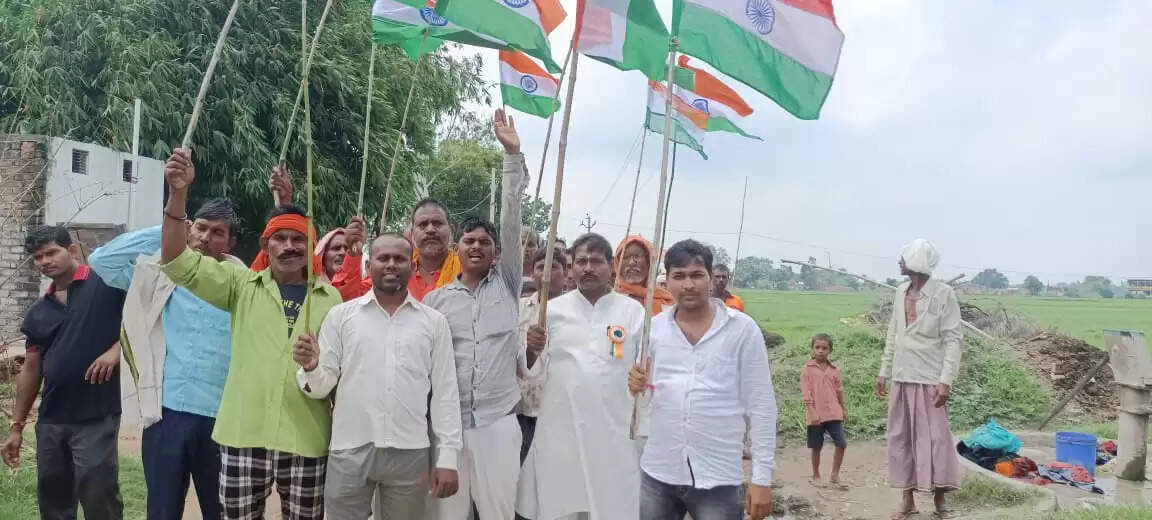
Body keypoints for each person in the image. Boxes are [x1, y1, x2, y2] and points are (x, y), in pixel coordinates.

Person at [159, 148, 344, 519]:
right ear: (265, 245)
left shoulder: (333, 300)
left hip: (307, 438)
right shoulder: (239, 285)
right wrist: (178, 193)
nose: (289, 246)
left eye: (298, 239)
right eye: (280, 239)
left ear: (312, 248)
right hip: (243, 434)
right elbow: (176, 261)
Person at [88, 199, 244, 520]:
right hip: (166, 414)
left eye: (217, 233)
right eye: (200, 228)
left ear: (230, 243)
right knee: (162, 511)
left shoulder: (244, 285)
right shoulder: (156, 275)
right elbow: (102, 261)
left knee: (225, 512)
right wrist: (169, 229)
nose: (205, 237)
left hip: (224, 421)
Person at [292, 234, 462, 519]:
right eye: (384, 258)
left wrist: (448, 457)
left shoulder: (433, 323)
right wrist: (311, 367)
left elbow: (445, 393)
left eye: (400, 259)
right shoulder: (341, 317)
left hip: (410, 451)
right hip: (350, 448)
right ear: (369, 265)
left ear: (413, 266)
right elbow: (322, 386)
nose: (391, 264)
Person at [423, 108, 527, 520]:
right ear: (458, 249)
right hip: (449, 429)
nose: (477, 247)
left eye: (485, 242)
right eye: (469, 241)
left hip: (498, 423)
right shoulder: (436, 302)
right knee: (448, 515)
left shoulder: (507, 284)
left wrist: (511, 159)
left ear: (497, 252)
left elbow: (512, 216)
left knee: (498, 513)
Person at [628, 239, 777, 520]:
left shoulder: (742, 330)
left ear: (711, 278)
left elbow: (762, 406)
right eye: (679, 276)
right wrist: (637, 385)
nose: (688, 285)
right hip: (659, 471)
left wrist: (762, 478)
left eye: (696, 275)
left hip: (718, 477)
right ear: (667, 281)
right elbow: (644, 395)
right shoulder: (652, 330)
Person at [517, 233, 646, 520]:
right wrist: (532, 348)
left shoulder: (632, 312)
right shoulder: (552, 311)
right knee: (561, 505)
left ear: (612, 265)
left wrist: (642, 380)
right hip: (562, 429)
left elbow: (644, 371)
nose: (588, 268)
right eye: (581, 261)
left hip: (612, 430)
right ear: (571, 267)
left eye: (596, 261)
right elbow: (531, 371)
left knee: (611, 506)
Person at [3, 226, 126, 520]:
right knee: (54, 499)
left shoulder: (106, 284)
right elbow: (31, 369)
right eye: (37, 257)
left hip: (97, 413)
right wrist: (17, 426)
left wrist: (117, 350)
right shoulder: (38, 312)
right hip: (52, 419)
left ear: (71, 251)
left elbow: (142, 320)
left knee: (99, 494)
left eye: (51, 252)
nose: (44, 261)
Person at [876, 239, 963, 519]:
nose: (899, 263)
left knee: (937, 439)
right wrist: (884, 370)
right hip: (902, 376)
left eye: (903, 259)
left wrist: (945, 380)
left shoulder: (943, 294)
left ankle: (940, 501)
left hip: (929, 378)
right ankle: (907, 500)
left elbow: (953, 339)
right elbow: (893, 333)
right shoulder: (901, 291)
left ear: (914, 262)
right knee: (902, 438)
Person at [268, 166, 368, 298]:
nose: (343, 253)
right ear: (322, 255)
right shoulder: (303, 284)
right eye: (336, 248)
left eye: (347, 248)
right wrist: (284, 206)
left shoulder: (366, 291)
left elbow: (343, 299)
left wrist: (354, 254)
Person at [515, 245, 568, 465]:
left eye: (553, 267)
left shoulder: (574, 311)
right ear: (532, 271)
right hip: (522, 408)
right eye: (540, 267)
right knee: (520, 468)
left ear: (565, 274)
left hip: (560, 410)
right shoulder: (517, 308)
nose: (545, 273)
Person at [801, 333, 847, 490]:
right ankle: (816, 475)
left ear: (830, 350)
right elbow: (806, 394)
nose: (821, 351)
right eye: (817, 347)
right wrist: (812, 412)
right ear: (812, 349)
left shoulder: (834, 370)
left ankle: (834, 475)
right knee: (816, 446)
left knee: (841, 443)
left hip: (834, 413)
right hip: (816, 415)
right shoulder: (807, 369)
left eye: (824, 348)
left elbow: (839, 391)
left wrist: (843, 409)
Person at [614, 235, 673, 313]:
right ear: (618, 263)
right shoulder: (610, 301)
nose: (631, 263)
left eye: (637, 256)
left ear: (649, 262)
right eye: (626, 257)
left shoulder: (667, 302)